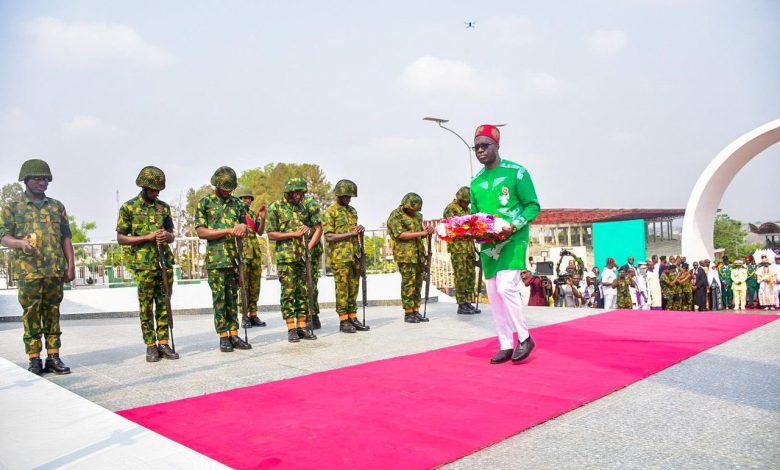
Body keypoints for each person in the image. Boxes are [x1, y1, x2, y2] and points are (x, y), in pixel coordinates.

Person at [469, 124, 541, 364]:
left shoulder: (517, 173)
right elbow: (475, 217)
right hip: (489, 244)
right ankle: (505, 343)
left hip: (513, 238)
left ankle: (525, 337)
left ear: (497, 146)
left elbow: (532, 205)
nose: (480, 150)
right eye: (476, 147)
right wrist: (472, 233)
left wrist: (516, 224)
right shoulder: (476, 182)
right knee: (493, 293)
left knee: (506, 287)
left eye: (484, 145)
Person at [0, 159, 75, 375]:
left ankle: (53, 356)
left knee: (53, 312)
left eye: (46, 179)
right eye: (38, 178)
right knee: (31, 313)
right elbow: (4, 237)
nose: (43, 182)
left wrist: (70, 265)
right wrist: (20, 243)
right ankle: (34, 358)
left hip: (54, 269)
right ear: (26, 180)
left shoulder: (56, 206)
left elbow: (66, 238)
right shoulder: (12, 208)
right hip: (28, 270)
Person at [116, 166, 180, 362]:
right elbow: (121, 238)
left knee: (164, 303)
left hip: (163, 263)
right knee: (146, 306)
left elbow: (172, 235)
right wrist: (148, 237)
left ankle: (163, 342)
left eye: (158, 190)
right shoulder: (128, 208)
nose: (156, 193)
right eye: (153, 190)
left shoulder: (163, 208)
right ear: (143, 187)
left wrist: (166, 236)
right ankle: (150, 345)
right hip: (143, 265)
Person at [195, 166, 252, 352]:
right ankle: (223, 336)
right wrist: (228, 230)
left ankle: (234, 334)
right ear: (217, 185)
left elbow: (245, 224)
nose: (228, 192)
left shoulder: (237, 204)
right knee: (220, 299)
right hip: (216, 259)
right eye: (225, 188)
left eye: (231, 189)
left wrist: (243, 227)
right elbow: (201, 232)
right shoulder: (205, 203)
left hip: (235, 258)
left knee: (233, 296)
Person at [266, 177, 318, 341]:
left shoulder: (303, 208)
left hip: (302, 257)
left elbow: (314, 229)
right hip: (286, 259)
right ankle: (291, 328)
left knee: (303, 292)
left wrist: (307, 230)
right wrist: (292, 234)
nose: (299, 196)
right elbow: (271, 234)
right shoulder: (276, 207)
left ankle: (302, 326)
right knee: (288, 293)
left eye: (301, 193)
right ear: (289, 192)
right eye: (297, 192)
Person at [322, 179, 370, 333]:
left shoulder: (352, 211)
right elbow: (329, 237)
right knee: (342, 289)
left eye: (351, 197)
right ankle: (343, 320)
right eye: (347, 196)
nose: (349, 199)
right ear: (339, 194)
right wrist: (351, 233)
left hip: (354, 256)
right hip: (340, 257)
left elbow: (353, 232)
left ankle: (352, 317)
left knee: (353, 288)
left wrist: (359, 231)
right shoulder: (330, 212)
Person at [387, 193, 434, 324]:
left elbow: (420, 233)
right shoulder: (395, 215)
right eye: (413, 210)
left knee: (418, 283)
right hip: (405, 256)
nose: (415, 212)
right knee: (408, 283)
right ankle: (408, 312)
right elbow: (399, 235)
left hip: (419, 254)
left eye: (417, 210)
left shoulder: (418, 216)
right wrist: (422, 233)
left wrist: (427, 231)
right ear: (406, 206)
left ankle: (416, 310)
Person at [233, 186, 267, 329]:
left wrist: (262, 218)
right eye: (244, 198)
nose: (247, 200)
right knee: (244, 285)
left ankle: (253, 314)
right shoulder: (235, 214)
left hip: (254, 254)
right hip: (242, 254)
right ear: (239, 199)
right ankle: (244, 315)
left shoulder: (252, 214)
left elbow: (259, 232)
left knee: (255, 285)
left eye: (249, 198)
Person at [443, 186, 479, 315]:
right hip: (458, 248)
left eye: (468, 202)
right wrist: (467, 229)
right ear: (459, 198)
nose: (467, 204)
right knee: (461, 276)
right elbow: (452, 228)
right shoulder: (450, 209)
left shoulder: (467, 210)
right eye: (465, 201)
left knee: (470, 275)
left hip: (469, 247)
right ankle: (461, 303)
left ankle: (468, 302)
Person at [301, 192, 324, 329]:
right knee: (301, 286)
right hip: (296, 252)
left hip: (311, 251)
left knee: (311, 284)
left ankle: (313, 316)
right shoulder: (288, 206)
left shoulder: (310, 204)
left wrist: (308, 248)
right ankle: (305, 316)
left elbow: (318, 229)